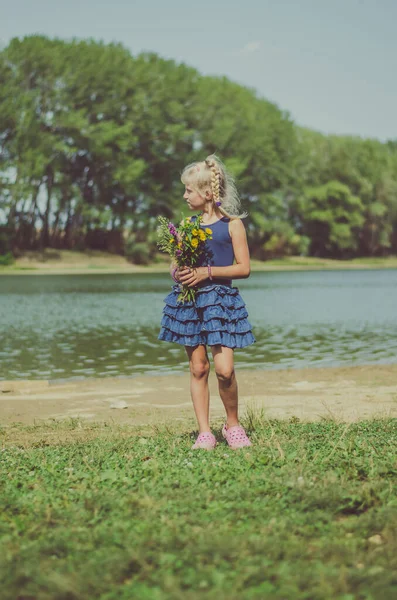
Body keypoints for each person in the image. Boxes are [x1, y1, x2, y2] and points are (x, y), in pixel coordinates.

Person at [158, 154, 256, 450]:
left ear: (208, 194)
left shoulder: (233, 225)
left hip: (221, 301)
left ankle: (232, 425)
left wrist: (206, 272)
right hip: (190, 302)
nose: (184, 195)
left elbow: (244, 268)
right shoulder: (186, 225)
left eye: (189, 190)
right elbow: (174, 266)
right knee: (198, 368)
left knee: (225, 369)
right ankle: (204, 432)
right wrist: (181, 272)